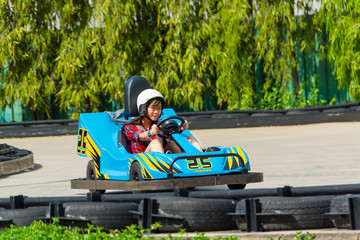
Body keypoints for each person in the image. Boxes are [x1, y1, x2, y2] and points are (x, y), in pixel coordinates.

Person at [124, 89, 202, 154]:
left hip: (163, 158)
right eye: (153, 108)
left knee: (189, 138)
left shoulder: (161, 125)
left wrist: (181, 128)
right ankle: (164, 168)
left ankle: (202, 161)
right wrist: (151, 132)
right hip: (143, 161)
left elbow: (170, 140)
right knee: (155, 142)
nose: (156, 112)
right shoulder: (130, 126)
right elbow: (140, 137)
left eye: (159, 108)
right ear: (143, 108)